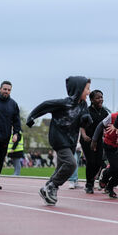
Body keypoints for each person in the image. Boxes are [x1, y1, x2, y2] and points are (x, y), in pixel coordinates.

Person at [26, 76, 92, 206]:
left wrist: (86, 118)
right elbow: (45, 105)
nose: (89, 92)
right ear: (78, 89)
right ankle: (52, 186)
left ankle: (47, 188)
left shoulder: (83, 104)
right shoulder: (63, 103)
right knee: (71, 164)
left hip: (71, 140)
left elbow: (84, 115)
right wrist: (32, 116)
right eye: (87, 89)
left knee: (61, 167)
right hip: (59, 138)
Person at [79, 89, 109, 194]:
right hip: (87, 139)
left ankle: (92, 180)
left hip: (98, 140)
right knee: (91, 162)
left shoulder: (105, 112)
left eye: (101, 97)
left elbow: (107, 127)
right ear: (92, 100)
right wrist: (84, 135)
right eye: (97, 98)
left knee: (99, 162)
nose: (100, 99)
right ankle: (89, 184)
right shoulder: (87, 111)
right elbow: (81, 126)